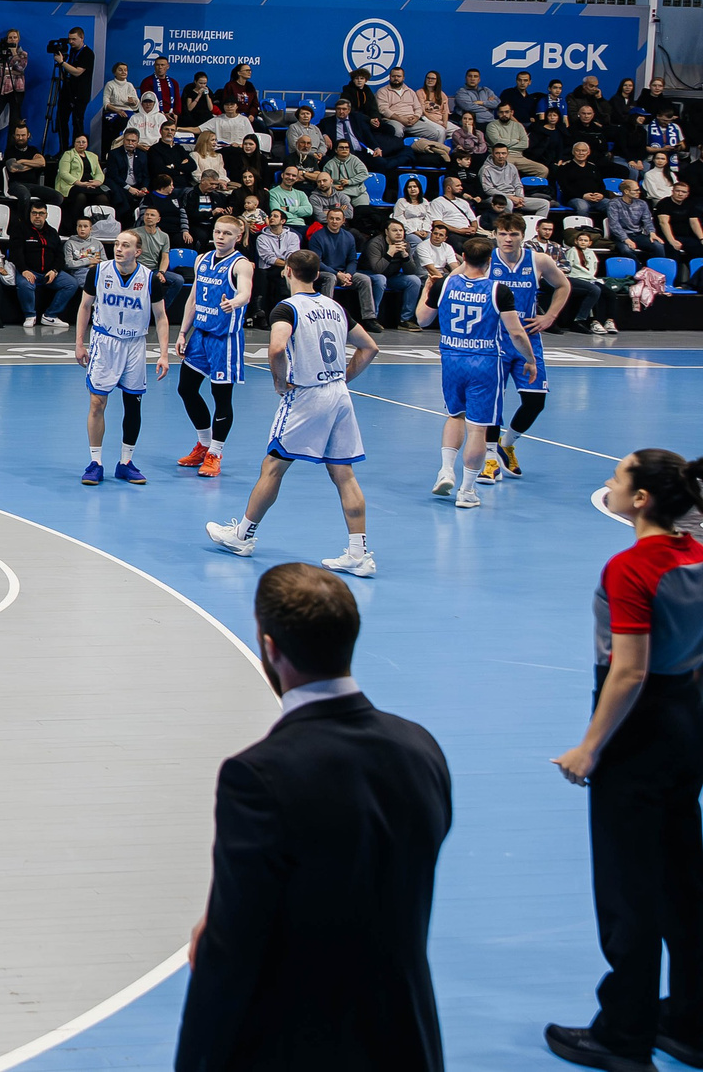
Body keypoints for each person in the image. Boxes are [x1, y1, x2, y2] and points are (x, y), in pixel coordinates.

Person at [174, 562, 452, 1071]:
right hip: (405, 1039)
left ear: (270, 649)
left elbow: (233, 950)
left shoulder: (257, 777)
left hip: (301, 1044)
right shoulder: (422, 749)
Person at [545, 448, 703, 1072]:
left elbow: (629, 670)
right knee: (683, 881)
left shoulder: (631, 569)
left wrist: (591, 747)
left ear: (641, 499)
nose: (609, 484)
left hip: (637, 736)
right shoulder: (697, 555)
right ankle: (691, 1022)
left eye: (617, 477)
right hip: (686, 723)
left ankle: (623, 1033)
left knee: (627, 888)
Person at [206, 250, 380, 574]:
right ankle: (359, 553)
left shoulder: (286, 309)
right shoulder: (336, 307)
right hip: (339, 394)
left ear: (287, 272)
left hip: (307, 397)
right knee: (344, 474)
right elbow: (370, 347)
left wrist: (280, 381)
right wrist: (343, 377)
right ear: (318, 275)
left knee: (273, 466)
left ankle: (243, 535)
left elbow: (275, 348)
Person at [417, 233, 537, 508]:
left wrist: (427, 291)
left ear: (461, 258)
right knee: (478, 429)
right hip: (484, 362)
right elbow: (516, 333)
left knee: (454, 415)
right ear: (490, 260)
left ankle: (446, 469)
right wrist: (530, 359)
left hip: (451, 358)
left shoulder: (445, 284)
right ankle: (467, 491)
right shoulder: (498, 290)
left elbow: (423, 320)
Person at [473, 211, 572, 484]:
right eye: (502, 233)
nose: (507, 238)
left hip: (527, 338)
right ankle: (490, 459)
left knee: (535, 401)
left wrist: (550, 316)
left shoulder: (538, 260)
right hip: (493, 339)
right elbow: (458, 280)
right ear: (494, 235)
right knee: (494, 402)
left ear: (522, 236)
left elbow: (563, 285)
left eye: (513, 234)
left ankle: (507, 444)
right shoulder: (486, 259)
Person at [74, 229, 169, 486]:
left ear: (137, 252)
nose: (118, 249)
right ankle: (95, 462)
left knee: (133, 404)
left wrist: (163, 354)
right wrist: (80, 343)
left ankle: (126, 463)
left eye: (125, 245)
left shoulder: (150, 279)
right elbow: (85, 306)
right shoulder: (98, 271)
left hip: (135, 344)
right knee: (97, 403)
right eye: (116, 244)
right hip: (105, 342)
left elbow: (160, 317)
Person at [173, 214, 255, 478]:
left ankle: (215, 453)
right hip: (200, 334)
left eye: (227, 234)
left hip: (225, 339)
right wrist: (183, 332)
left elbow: (245, 291)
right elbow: (193, 298)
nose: (220, 237)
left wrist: (237, 302)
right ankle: (203, 443)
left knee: (222, 397)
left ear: (237, 237)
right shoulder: (202, 259)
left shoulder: (241, 264)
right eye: (218, 232)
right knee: (185, 388)